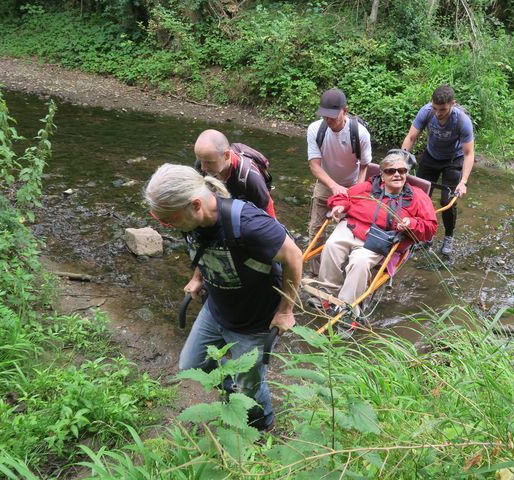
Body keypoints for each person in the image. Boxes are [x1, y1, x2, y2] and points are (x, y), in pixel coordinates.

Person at [145, 164, 302, 431]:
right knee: (191, 364)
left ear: (195, 205)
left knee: (249, 388)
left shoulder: (249, 224)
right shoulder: (192, 218)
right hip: (216, 309)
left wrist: (286, 310)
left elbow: (294, 256)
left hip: (254, 323)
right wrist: (197, 277)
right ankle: (234, 388)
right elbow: (201, 246)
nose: (167, 226)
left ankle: (263, 426)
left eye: (168, 220)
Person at [316, 151, 437, 320]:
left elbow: (431, 227)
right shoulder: (367, 187)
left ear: (406, 173)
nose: (397, 174)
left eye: (402, 171)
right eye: (390, 171)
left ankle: (346, 309)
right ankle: (327, 294)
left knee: (360, 262)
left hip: (380, 238)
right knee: (332, 245)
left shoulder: (418, 196)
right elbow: (343, 196)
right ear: (382, 175)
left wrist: (412, 224)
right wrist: (340, 206)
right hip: (352, 227)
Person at [401, 84, 475, 256]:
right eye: (435, 108)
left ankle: (448, 236)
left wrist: (463, 182)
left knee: (446, 201)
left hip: (453, 160)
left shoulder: (462, 120)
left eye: (442, 109)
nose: (438, 113)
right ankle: (425, 236)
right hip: (431, 156)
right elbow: (411, 137)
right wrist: (401, 163)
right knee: (419, 197)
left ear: (452, 103)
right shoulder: (426, 111)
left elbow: (469, 153)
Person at [307, 88, 372, 274]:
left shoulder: (360, 133)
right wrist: (334, 186)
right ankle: (315, 273)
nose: (328, 121)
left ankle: (342, 272)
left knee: (348, 233)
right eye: (324, 116)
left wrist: (357, 190)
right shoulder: (315, 129)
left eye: (332, 117)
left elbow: (365, 165)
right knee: (315, 231)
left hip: (351, 186)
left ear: (345, 110)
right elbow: (314, 166)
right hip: (326, 183)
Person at [194, 129, 276, 218]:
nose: (203, 168)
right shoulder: (202, 163)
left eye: (209, 162)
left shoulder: (251, 178)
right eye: (200, 160)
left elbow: (268, 213)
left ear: (226, 155)